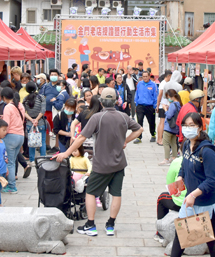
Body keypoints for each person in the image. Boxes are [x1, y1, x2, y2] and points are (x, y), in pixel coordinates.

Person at [54, 87, 143, 237]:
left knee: (90, 193)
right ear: (115, 102)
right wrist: (125, 141)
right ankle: (110, 225)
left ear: (101, 102)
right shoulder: (123, 117)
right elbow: (139, 129)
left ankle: (91, 225)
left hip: (101, 164)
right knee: (116, 194)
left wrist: (66, 153)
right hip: (119, 163)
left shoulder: (97, 118)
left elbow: (81, 138)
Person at [171, 112, 215, 257]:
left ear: (200, 128)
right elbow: (184, 162)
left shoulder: (207, 151)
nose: (188, 128)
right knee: (180, 236)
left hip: (207, 201)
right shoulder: (187, 144)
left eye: (192, 125)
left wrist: (194, 194)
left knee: (210, 238)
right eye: (185, 125)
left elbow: (212, 180)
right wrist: (180, 176)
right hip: (191, 199)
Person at [154, 154, 187, 244]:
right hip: (201, 202)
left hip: (181, 203)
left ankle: (160, 233)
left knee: (162, 197)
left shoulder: (178, 161)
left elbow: (170, 182)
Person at [0, 87, 25, 194]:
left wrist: (1, 136)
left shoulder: (8, 107)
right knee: (12, 161)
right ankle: (10, 184)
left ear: (4, 97)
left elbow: (6, 125)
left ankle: (12, 186)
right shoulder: (20, 105)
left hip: (11, 137)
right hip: (20, 136)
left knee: (10, 163)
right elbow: (20, 120)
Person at [23, 82, 47, 162]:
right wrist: (37, 119)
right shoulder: (41, 98)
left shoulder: (25, 99)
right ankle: (43, 159)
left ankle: (32, 160)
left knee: (31, 142)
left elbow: (24, 112)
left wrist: (31, 120)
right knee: (42, 141)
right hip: (40, 122)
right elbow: (42, 111)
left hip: (30, 123)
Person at [157, 71, 183, 145]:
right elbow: (179, 97)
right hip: (175, 106)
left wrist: (158, 105)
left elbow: (163, 96)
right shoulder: (179, 86)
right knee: (174, 122)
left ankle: (159, 139)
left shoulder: (166, 84)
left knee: (162, 122)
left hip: (165, 104)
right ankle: (172, 141)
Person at [134, 70, 158, 144]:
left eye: (146, 76)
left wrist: (155, 106)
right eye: (143, 76)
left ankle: (153, 135)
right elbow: (137, 93)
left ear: (149, 76)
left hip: (150, 106)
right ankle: (138, 137)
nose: (144, 78)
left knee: (151, 122)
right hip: (140, 106)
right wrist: (136, 102)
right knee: (139, 121)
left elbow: (155, 96)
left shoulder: (153, 85)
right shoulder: (139, 84)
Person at [162, 90, 181, 165]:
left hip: (169, 127)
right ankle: (174, 157)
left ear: (172, 97)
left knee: (166, 142)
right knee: (173, 143)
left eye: (168, 97)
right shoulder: (178, 104)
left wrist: (165, 109)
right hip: (175, 127)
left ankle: (166, 159)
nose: (168, 99)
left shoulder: (173, 105)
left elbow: (169, 115)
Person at [44, 69, 61, 151]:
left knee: (56, 128)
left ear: (58, 76)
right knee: (47, 128)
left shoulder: (61, 85)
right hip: (46, 110)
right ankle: (47, 145)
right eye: (52, 74)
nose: (53, 76)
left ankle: (56, 146)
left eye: (55, 74)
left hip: (56, 111)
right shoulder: (46, 86)